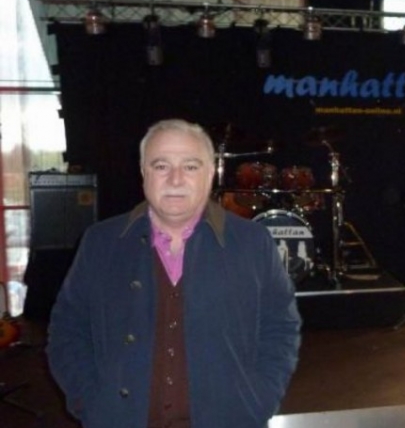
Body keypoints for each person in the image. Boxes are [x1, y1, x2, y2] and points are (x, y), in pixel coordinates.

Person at [47, 118, 302, 428]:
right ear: (144, 173)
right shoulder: (101, 242)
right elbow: (67, 329)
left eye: (191, 166)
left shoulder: (253, 242)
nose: (176, 179)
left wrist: (258, 401)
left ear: (210, 173)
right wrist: (90, 402)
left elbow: (281, 327)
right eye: (161, 166)